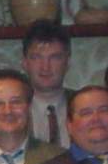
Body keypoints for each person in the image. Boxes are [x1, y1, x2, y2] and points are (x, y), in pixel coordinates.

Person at [22, 20, 73, 148]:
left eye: (55, 57)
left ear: (67, 63)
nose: (45, 67)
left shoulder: (85, 106)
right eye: (36, 57)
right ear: (25, 63)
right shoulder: (11, 110)